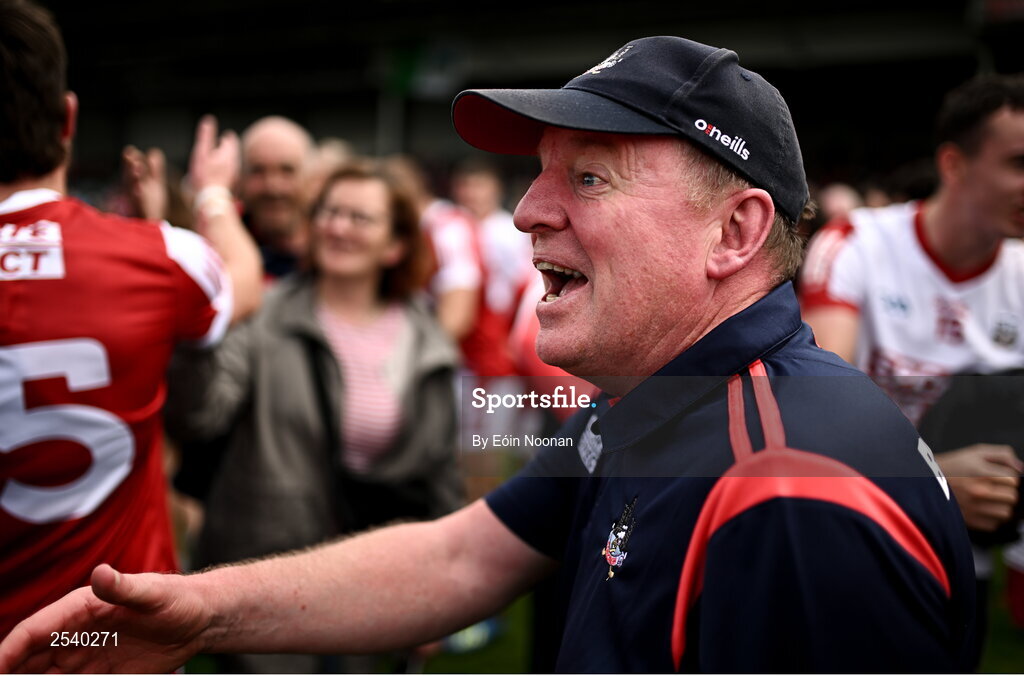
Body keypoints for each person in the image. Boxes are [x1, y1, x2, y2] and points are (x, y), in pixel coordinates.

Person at [0, 35, 977, 673]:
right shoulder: (659, 399)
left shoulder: (785, 497)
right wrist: (198, 613)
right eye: (536, 173)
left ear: (734, 231)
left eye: (586, 177)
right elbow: (462, 553)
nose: (524, 212)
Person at [0, 0, 261, 639]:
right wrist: (212, 193)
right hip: (109, 635)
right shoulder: (159, 255)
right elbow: (243, 280)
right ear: (68, 119)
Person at [163, 162, 463, 672]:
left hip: (380, 586)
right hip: (269, 582)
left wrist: (449, 591)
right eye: (329, 211)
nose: (337, 226)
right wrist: (197, 330)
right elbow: (198, 417)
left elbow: (439, 473)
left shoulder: (426, 339)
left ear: (395, 246)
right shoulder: (263, 314)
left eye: (359, 218)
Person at [799, 73, 1024, 665]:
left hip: (961, 551)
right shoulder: (856, 244)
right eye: (1018, 162)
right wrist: (937, 480)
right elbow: (810, 426)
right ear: (954, 163)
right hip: (849, 528)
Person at [239, 115, 315, 280]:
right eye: (258, 171)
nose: (273, 187)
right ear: (240, 179)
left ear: (311, 178)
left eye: (287, 170)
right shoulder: (222, 249)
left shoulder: (335, 246)